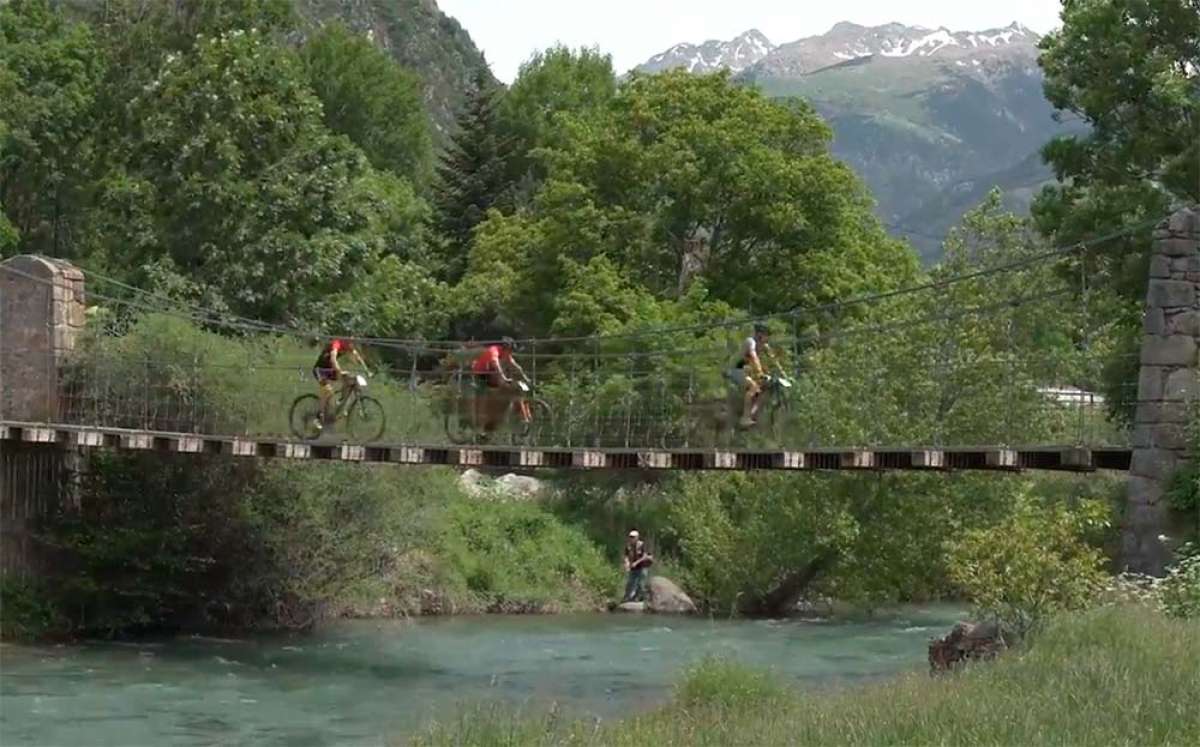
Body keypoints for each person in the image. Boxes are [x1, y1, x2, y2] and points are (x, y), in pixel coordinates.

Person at [469, 337, 529, 431]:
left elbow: (516, 367)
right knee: (485, 393)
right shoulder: (494, 350)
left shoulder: (506, 354)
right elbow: (496, 365)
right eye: (510, 351)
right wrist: (503, 378)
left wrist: (526, 378)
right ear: (506, 348)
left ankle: (498, 413)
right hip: (481, 374)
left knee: (508, 388)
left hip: (491, 373)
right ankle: (479, 423)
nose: (511, 353)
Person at [313, 338, 369, 425]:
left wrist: (367, 370)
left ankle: (340, 403)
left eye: (354, 343)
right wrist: (339, 371)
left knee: (349, 379)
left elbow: (358, 358)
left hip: (330, 370)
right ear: (346, 340)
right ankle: (318, 417)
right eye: (351, 342)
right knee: (328, 391)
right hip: (320, 370)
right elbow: (333, 359)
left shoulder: (349, 346)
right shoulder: (337, 343)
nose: (352, 345)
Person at [729, 323, 775, 428]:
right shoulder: (750, 342)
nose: (766, 339)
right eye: (765, 335)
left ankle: (752, 415)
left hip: (747, 371)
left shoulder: (764, 345)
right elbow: (754, 356)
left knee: (765, 388)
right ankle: (745, 418)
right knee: (753, 387)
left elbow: (774, 360)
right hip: (736, 370)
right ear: (759, 335)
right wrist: (760, 372)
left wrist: (784, 374)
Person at [622, 530, 653, 603]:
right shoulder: (628, 546)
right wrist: (626, 563)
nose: (631, 538)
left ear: (637, 537)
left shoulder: (642, 545)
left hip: (643, 566)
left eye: (633, 537)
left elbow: (645, 556)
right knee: (630, 582)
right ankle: (627, 597)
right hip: (634, 568)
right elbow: (626, 556)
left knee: (640, 583)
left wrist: (636, 562)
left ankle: (639, 598)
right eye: (630, 537)